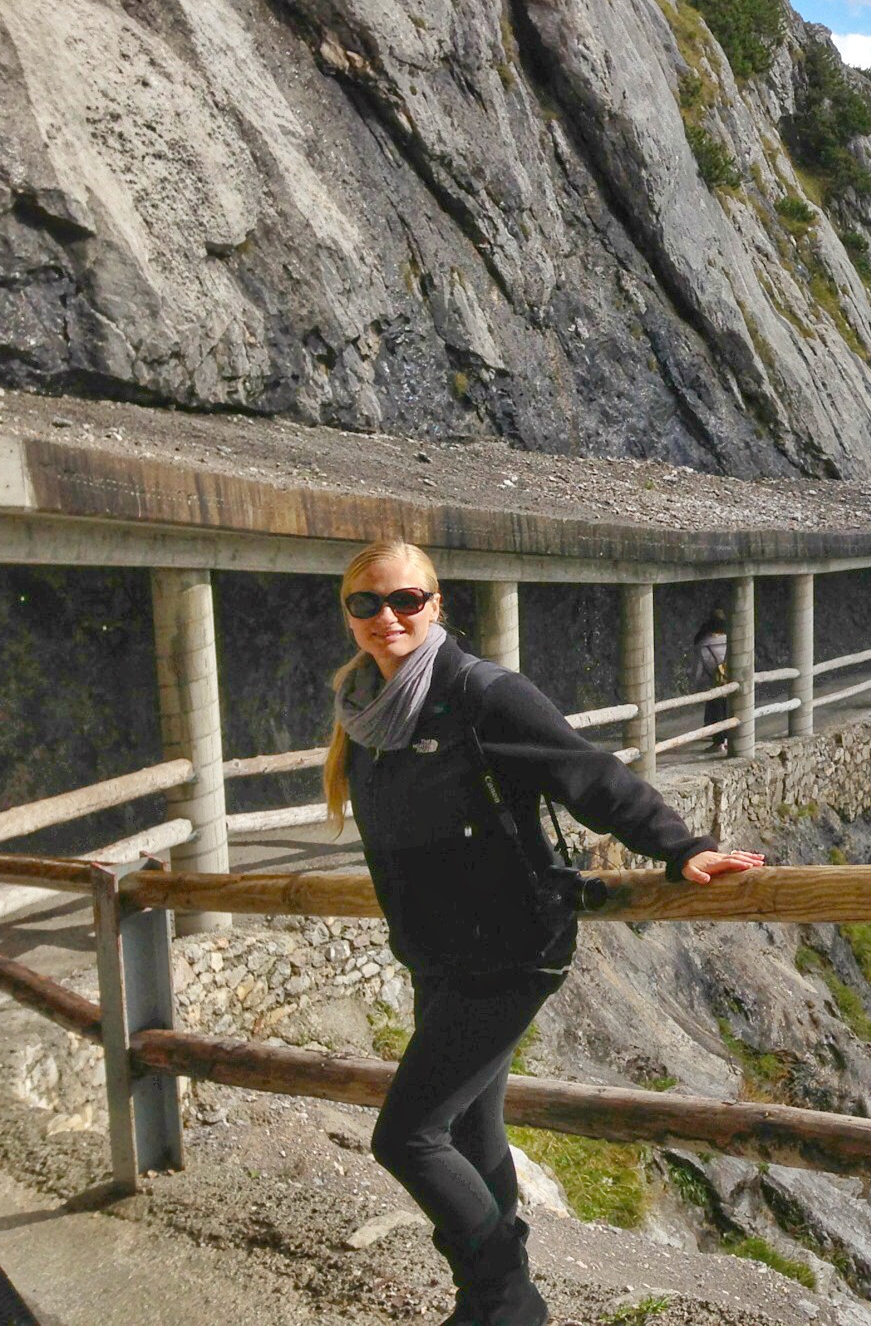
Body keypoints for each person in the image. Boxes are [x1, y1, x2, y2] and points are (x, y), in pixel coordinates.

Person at [323, 541, 763, 1325]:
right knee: (466, 1125)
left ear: (436, 604)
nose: (386, 617)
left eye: (405, 601)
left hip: (509, 947)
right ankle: (491, 1306)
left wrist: (681, 845)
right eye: (367, 603)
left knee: (407, 1138)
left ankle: (506, 1299)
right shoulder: (362, 707)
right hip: (438, 953)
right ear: (349, 612)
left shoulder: (483, 693)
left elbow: (586, 772)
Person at [693, 606, 731, 753]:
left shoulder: (702, 645)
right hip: (731, 680)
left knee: (717, 712)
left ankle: (719, 742)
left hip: (715, 683)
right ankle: (729, 739)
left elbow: (698, 670)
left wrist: (695, 688)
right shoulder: (731, 640)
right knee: (730, 709)